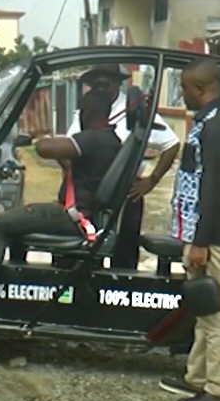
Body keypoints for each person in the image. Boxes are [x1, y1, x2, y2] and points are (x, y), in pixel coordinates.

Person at [0, 89, 121, 323]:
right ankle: (11, 290)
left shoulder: (93, 138)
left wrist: (39, 135)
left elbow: (44, 149)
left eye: (81, 111)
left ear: (89, 113)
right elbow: (73, 163)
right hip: (83, 215)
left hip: (72, 217)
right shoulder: (111, 141)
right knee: (18, 220)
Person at [158, 56, 220, 401]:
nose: (181, 94)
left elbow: (212, 189)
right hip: (202, 230)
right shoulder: (213, 121)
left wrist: (200, 241)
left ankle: (218, 391)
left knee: (214, 310)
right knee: (202, 307)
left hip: (211, 233)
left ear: (200, 88)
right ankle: (196, 377)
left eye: (183, 88)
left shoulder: (216, 127)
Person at [65, 64, 180, 270]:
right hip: (91, 193)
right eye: (94, 84)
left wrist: (152, 181)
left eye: (104, 83)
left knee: (124, 253)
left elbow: (171, 144)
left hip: (126, 191)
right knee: (86, 251)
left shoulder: (134, 109)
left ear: (117, 84)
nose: (99, 89)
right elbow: (69, 146)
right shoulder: (87, 109)